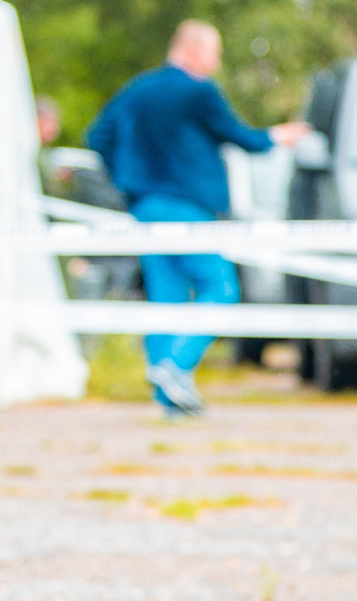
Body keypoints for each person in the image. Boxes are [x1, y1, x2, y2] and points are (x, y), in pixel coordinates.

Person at [87, 21, 309, 416]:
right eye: (214, 52)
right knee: (220, 286)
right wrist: (278, 136)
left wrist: (128, 180)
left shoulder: (138, 89)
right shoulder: (198, 91)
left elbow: (98, 137)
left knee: (166, 299)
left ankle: (169, 401)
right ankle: (177, 365)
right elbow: (240, 136)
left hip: (146, 208)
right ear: (193, 50)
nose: (216, 61)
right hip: (187, 209)